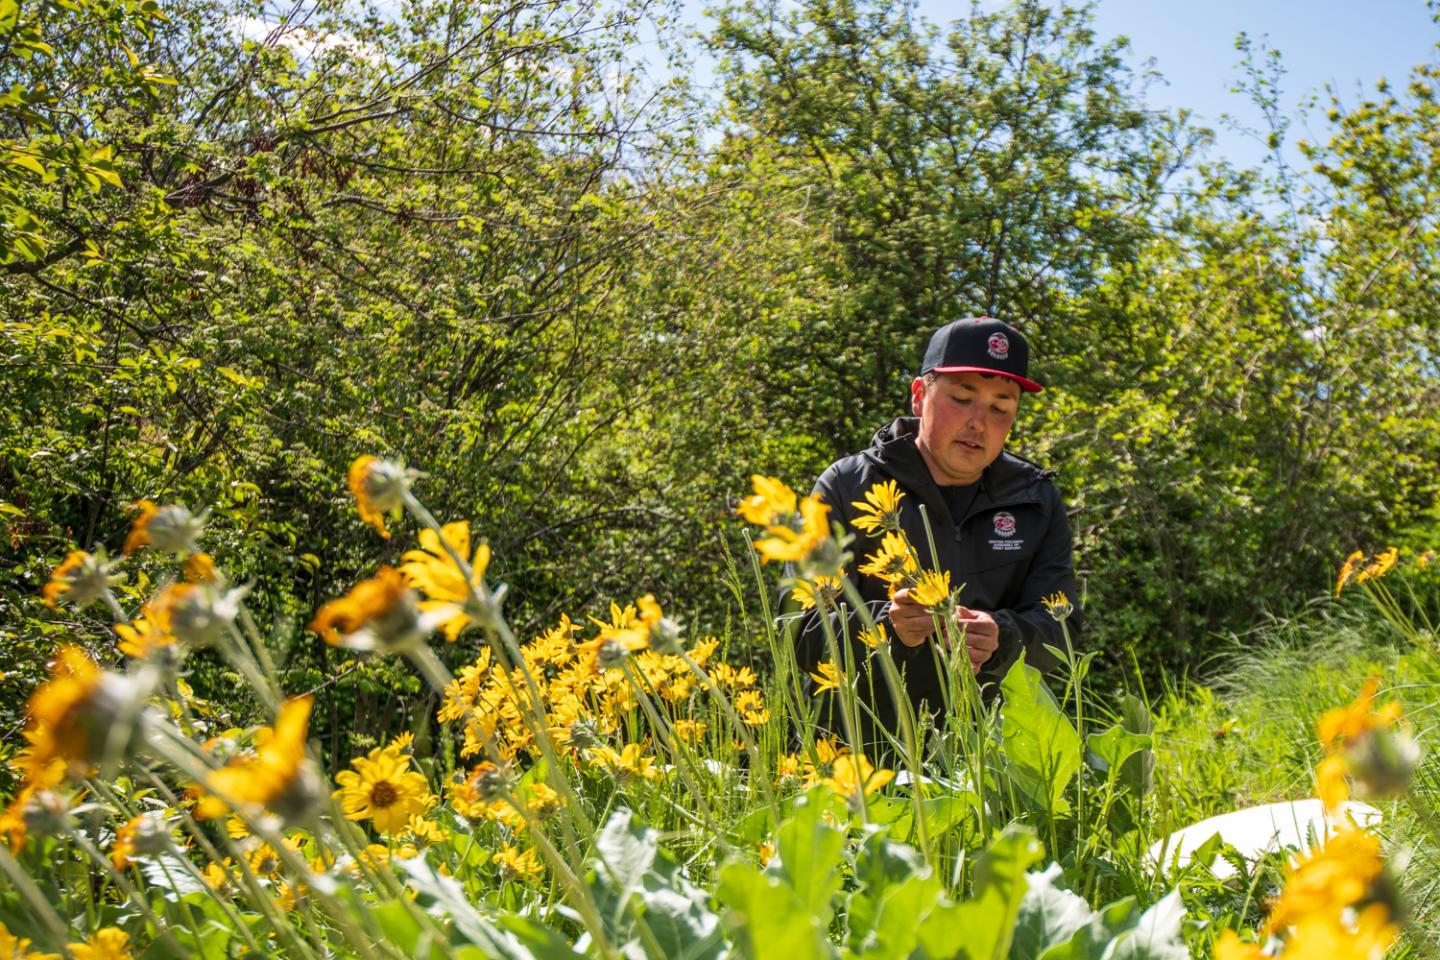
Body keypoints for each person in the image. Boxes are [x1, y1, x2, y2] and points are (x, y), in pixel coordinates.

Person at [792, 317, 1081, 747]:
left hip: (990, 753)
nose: (978, 422)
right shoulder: (845, 486)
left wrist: (1002, 636)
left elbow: (1065, 629)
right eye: (962, 399)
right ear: (919, 396)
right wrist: (887, 625)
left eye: (1000, 408)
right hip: (859, 750)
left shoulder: (1036, 498)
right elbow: (796, 628)